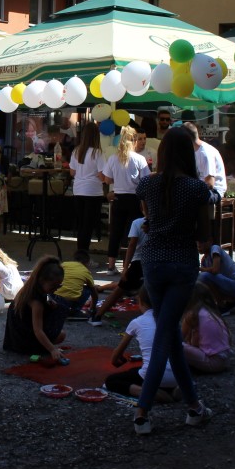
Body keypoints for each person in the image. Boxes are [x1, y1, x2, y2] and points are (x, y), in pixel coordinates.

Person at [131, 126, 214, 435]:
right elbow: (204, 237)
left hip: (152, 261)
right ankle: (142, 412)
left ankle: (194, 407)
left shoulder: (148, 184)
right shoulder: (196, 189)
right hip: (182, 263)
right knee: (166, 335)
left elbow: (148, 220)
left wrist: (158, 225)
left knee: (169, 332)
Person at [103, 288, 178, 404]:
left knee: (111, 381)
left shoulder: (137, 322)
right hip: (178, 374)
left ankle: (149, 392)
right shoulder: (170, 319)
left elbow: (115, 357)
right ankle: (175, 389)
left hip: (153, 374)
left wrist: (119, 360)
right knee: (135, 370)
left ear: (141, 302)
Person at [102, 125, 150, 274]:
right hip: (135, 199)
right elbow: (146, 180)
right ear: (134, 141)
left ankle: (111, 265)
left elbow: (107, 180)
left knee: (115, 232)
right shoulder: (139, 159)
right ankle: (128, 264)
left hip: (118, 198)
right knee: (133, 233)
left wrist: (118, 179)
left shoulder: (113, 158)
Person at [2, 256, 68, 359]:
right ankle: (40, 346)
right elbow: (38, 330)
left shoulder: (30, 288)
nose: (56, 289)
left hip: (14, 339)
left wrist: (49, 303)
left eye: (58, 286)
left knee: (57, 305)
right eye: (53, 287)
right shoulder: (36, 302)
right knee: (61, 333)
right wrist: (52, 349)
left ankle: (42, 344)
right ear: (42, 280)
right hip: (25, 343)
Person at [91, 217, 146, 325]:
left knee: (120, 289)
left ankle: (97, 316)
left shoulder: (138, 222)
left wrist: (125, 267)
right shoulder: (163, 220)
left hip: (139, 262)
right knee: (122, 287)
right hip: (155, 262)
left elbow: (132, 244)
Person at [69, 120, 106, 256]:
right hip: (93, 191)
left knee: (81, 225)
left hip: (78, 190)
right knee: (88, 225)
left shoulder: (76, 151)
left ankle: (80, 253)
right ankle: (83, 255)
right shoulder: (97, 153)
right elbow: (102, 176)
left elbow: (72, 172)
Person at [182, 285, 233, 374]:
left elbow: (187, 339)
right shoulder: (210, 312)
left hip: (213, 361)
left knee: (174, 344)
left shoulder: (194, 315)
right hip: (224, 359)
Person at [198, 242, 235, 314]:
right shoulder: (204, 260)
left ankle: (221, 306)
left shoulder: (215, 248)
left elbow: (215, 270)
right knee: (202, 282)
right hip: (230, 286)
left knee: (204, 276)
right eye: (197, 243)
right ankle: (232, 301)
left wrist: (199, 268)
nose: (198, 245)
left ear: (209, 241)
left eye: (201, 242)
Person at [183, 122, 226, 202]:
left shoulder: (205, 153)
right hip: (201, 189)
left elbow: (210, 184)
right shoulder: (193, 151)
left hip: (214, 192)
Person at [51, 250, 98, 315]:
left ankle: (54, 307)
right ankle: (75, 310)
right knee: (88, 289)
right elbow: (94, 293)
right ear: (87, 263)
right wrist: (93, 308)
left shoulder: (64, 264)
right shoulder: (86, 271)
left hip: (54, 297)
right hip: (69, 301)